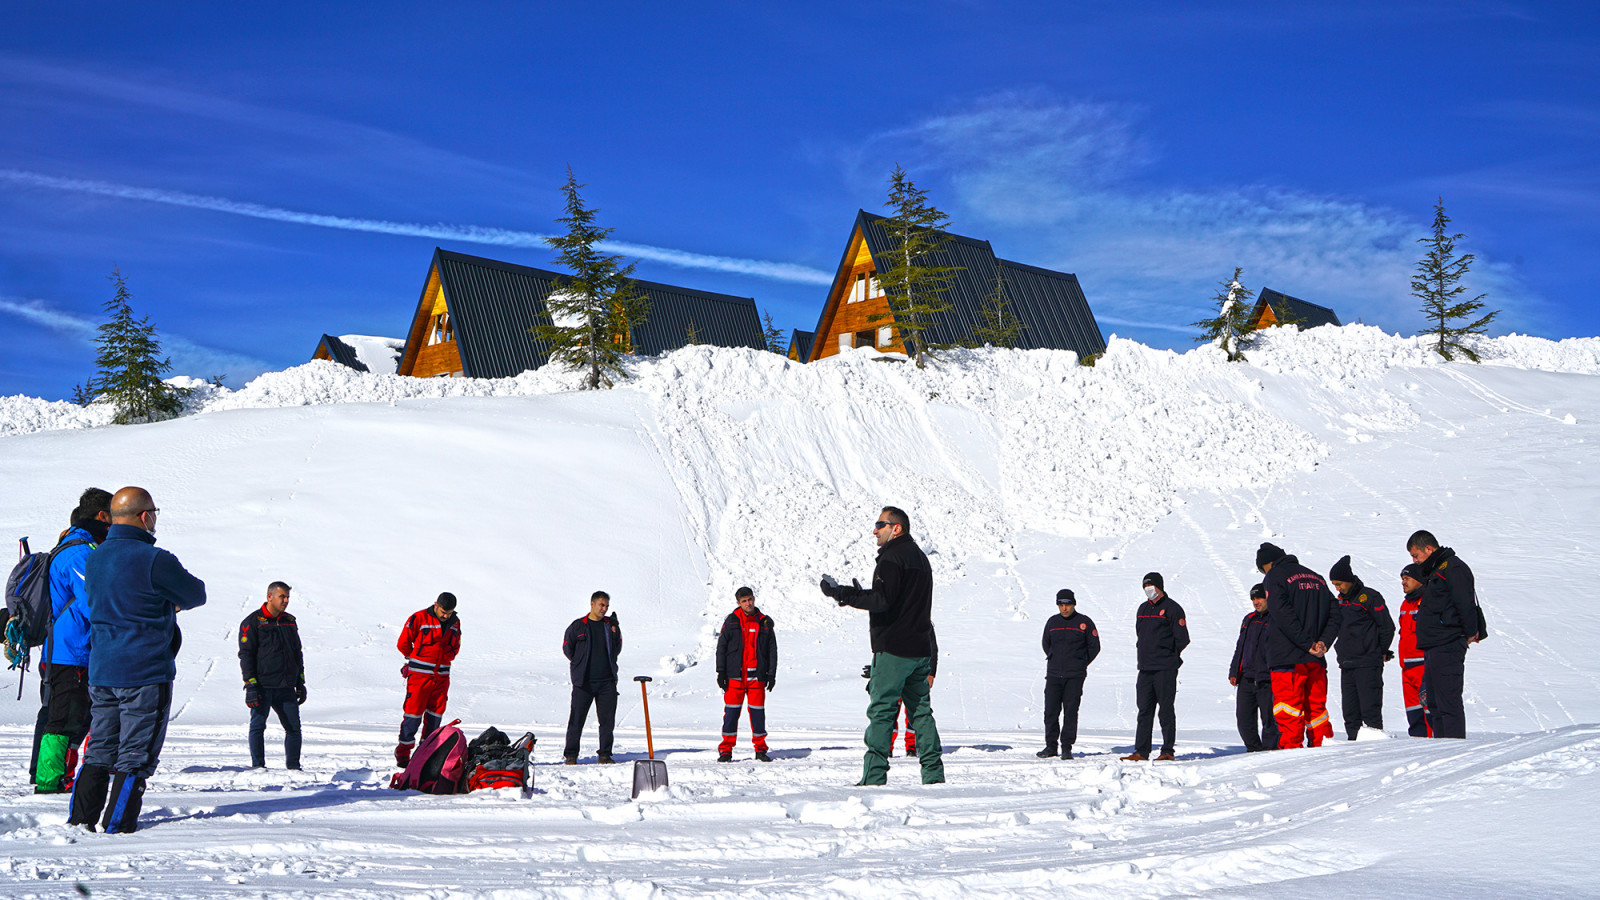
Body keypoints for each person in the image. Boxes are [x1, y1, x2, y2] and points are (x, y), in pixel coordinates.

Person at [68, 487, 206, 833]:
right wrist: (167, 603)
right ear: (145, 516)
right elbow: (195, 594)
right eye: (154, 512)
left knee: (99, 748)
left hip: (102, 670)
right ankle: (119, 826)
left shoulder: (95, 557)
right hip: (145, 671)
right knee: (135, 754)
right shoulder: (154, 559)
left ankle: (81, 820)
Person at [821, 506, 944, 785]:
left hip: (894, 650)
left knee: (882, 712)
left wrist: (841, 593)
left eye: (880, 525)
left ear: (896, 528)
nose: (874, 530)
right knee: (921, 714)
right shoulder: (920, 558)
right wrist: (859, 594)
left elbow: (881, 600)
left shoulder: (892, 557)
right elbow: (896, 599)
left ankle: (873, 778)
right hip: (919, 650)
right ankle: (934, 776)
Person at [34, 488, 111, 793]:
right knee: (63, 720)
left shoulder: (76, 545)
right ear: (103, 515)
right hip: (71, 652)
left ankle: (57, 777)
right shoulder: (80, 552)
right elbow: (93, 603)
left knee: (71, 719)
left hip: (68, 650)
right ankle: (49, 782)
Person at [1257, 542, 1339, 749]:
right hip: (1315, 660)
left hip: (1287, 658)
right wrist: (1323, 642)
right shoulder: (1317, 578)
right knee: (1317, 711)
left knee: (1288, 711)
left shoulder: (1275, 576)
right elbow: (1336, 613)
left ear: (1268, 563)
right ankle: (1324, 752)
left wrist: (1306, 643)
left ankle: (1292, 758)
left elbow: (1281, 613)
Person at [1408, 531, 1486, 739]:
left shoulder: (1453, 568)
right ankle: (1441, 748)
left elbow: (1465, 603)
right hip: (1433, 644)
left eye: (1415, 555)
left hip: (1448, 642)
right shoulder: (1436, 570)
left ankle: (1453, 749)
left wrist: (1469, 632)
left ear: (1429, 549)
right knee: (1434, 702)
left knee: (1447, 702)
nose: (1414, 560)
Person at [1122, 573, 1189, 762]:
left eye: (1151, 586)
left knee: (1165, 710)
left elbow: (1182, 638)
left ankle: (1167, 751)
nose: (1148, 589)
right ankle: (1141, 751)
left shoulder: (1172, 609)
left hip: (1165, 668)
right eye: (1145, 586)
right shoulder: (1142, 609)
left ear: (1160, 586)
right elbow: (1140, 634)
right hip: (1145, 668)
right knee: (1144, 710)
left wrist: (1169, 655)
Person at [239, 582, 306, 769]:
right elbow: (246, 655)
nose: (286, 601)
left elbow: (297, 653)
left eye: (287, 597)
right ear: (270, 597)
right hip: (262, 686)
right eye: (282, 597)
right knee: (258, 727)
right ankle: (258, 768)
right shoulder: (252, 622)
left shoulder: (289, 621)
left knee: (294, 729)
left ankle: (294, 768)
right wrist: (251, 685)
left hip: (286, 687)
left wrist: (300, 682)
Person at [1329, 555, 1396, 740]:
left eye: (1339, 583)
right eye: (1334, 585)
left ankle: (1374, 749)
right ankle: (1353, 747)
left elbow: (1387, 627)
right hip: (1347, 664)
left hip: (1368, 663)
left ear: (1349, 580)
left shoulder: (1369, 597)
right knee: (1350, 714)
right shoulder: (1339, 601)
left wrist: (1379, 651)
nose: (1337, 588)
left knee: (1370, 713)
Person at [395, 592, 461, 767]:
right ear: (436, 605)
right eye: (443, 612)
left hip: (442, 678)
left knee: (435, 717)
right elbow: (403, 643)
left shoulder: (455, 623)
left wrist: (449, 655)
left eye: (449, 613)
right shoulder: (419, 618)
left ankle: (425, 754)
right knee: (413, 715)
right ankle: (403, 753)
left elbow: (456, 646)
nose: (446, 616)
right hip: (419, 677)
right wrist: (415, 659)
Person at [716, 587, 777, 762]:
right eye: (744, 601)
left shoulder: (764, 622)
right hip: (734, 677)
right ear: (738, 603)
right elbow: (721, 648)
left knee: (758, 715)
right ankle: (726, 750)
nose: (748, 603)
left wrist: (771, 674)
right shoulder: (731, 621)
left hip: (756, 678)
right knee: (731, 715)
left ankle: (760, 749)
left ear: (754, 599)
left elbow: (772, 650)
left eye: (750, 599)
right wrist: (721, 672)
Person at [562, 591, 622, 764]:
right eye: (601, 605)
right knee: (576, 720)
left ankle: (605, 755)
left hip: (607, 682)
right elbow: (568, 648)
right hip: (584, 682)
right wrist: (579, 662)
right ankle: (571, 755)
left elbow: (617, 646)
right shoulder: (578, 626)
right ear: (592, 604)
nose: (604, 609)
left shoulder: (611, 626)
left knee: (607, 722)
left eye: (607, 606)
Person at [1039, 590, 1099, 760]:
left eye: (1068, 604)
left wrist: (1080, 663)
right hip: (1053, 675)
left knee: (1071, 712)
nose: (1064, 608)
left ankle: (1067, 747)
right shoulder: (1052, 622)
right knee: (1050, 712)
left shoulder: (1084, 622)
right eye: (1061, 605)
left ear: (1074, 604)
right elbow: (1046, 644)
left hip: (1074, 676)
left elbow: (1094, 647)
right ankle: (1051, 746)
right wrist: (1054, 658)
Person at [1228, 584, 1279, 752]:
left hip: (1267, 679)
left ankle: (1270, 752)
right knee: (1244, 721)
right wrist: (1234, 671)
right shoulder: (1248, 619)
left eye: (1259, 598)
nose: (1256, 602)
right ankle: (1254, 750)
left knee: (1270, 720)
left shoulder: (1277, 618)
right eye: (1253, 599)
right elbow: (1240, 647)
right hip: (1246, 678)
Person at [888, 626, 938, 757]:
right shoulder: (892, 621)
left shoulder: (924, 622)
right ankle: (887, 746)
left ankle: (912, 746)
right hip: (895, 674)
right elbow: (883, 649)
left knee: (915, 710)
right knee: (891, 711)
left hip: (916, 674)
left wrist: (931, 673)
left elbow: (932, 648)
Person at [1396, 563, 1431, 737]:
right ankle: (1417, 746)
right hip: (1406, 669)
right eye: (1402, 579)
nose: (1403, 582)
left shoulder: (1427, 602)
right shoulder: (1405, 604)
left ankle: (1435, 745)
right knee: (1413, 714)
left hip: (1423, 666)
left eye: (1407, 578)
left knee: (1429, 712)